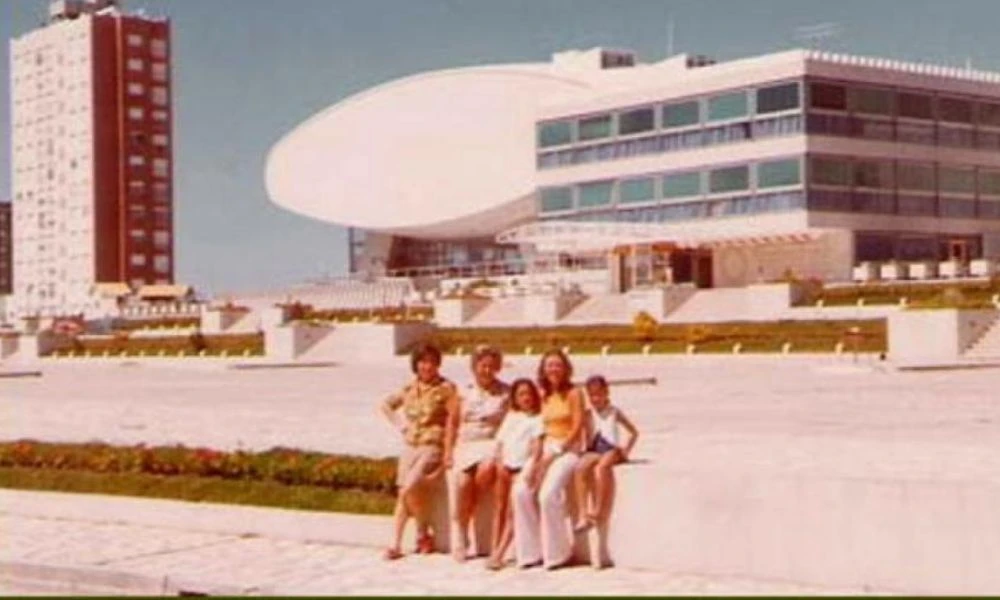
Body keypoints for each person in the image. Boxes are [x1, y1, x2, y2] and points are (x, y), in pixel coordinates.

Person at [380, 344, 459, 561]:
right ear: (416, 365)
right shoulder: (409, 388)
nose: (427, 367)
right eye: (423, 362)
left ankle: (422, 531)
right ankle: (398, 543)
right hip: (410, 446)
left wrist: (449, 451)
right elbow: (386, 405)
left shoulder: (446, 388)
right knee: (403, 493)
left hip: (432, 446)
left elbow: (453, 421)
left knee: (409, 486)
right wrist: (401, 426)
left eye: (431, 362)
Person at [511, 349, 586, 570]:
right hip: (545, 447)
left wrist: (557, 450)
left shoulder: (574, 393)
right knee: (521, 491)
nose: (554, 369)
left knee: (548, 494)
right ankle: (530, 552)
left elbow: (578, 426)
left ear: (566, 368)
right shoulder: (544, 394)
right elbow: (539, 427)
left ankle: (558, 553)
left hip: (568, 448)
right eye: (549, 365)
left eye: (558, 365)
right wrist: (536, 459)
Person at [449, 345, 509, 562]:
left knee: (485, 471)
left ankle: (467, 513)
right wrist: (448, 451)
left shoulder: (506, 392)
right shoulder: (463, 392)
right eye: (483, 366)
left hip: (491, 443)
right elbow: (452, 423)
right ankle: (461, 534)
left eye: (492, 366)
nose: (487, 370)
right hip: (467, 443)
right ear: (474, 367)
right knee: (463, 482)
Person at [485, 378, 545, 570]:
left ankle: (499, 553)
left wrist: (532, 467)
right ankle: (495, 548)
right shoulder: (511, 417)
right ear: (515, 398)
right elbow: (501, 442)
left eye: (528, 394)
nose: (525, 398)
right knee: (499, 508)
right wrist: (499, 462)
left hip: (520, 468)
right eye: (521, 394)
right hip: (505, 466)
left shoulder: (537, 419)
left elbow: (537, 447)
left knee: (512, 512)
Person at [573, 375, 639, 535]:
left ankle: (597, 510)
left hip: (611, 449)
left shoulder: (614, 411)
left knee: (601, 468)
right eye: (592, 395)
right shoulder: (588, 414)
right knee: (580, 468)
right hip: (595, 448)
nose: (595, 399)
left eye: (598, 394)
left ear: (606, 393)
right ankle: (583, 513)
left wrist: (626, 451)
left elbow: (633, 432)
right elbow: (585, 434)